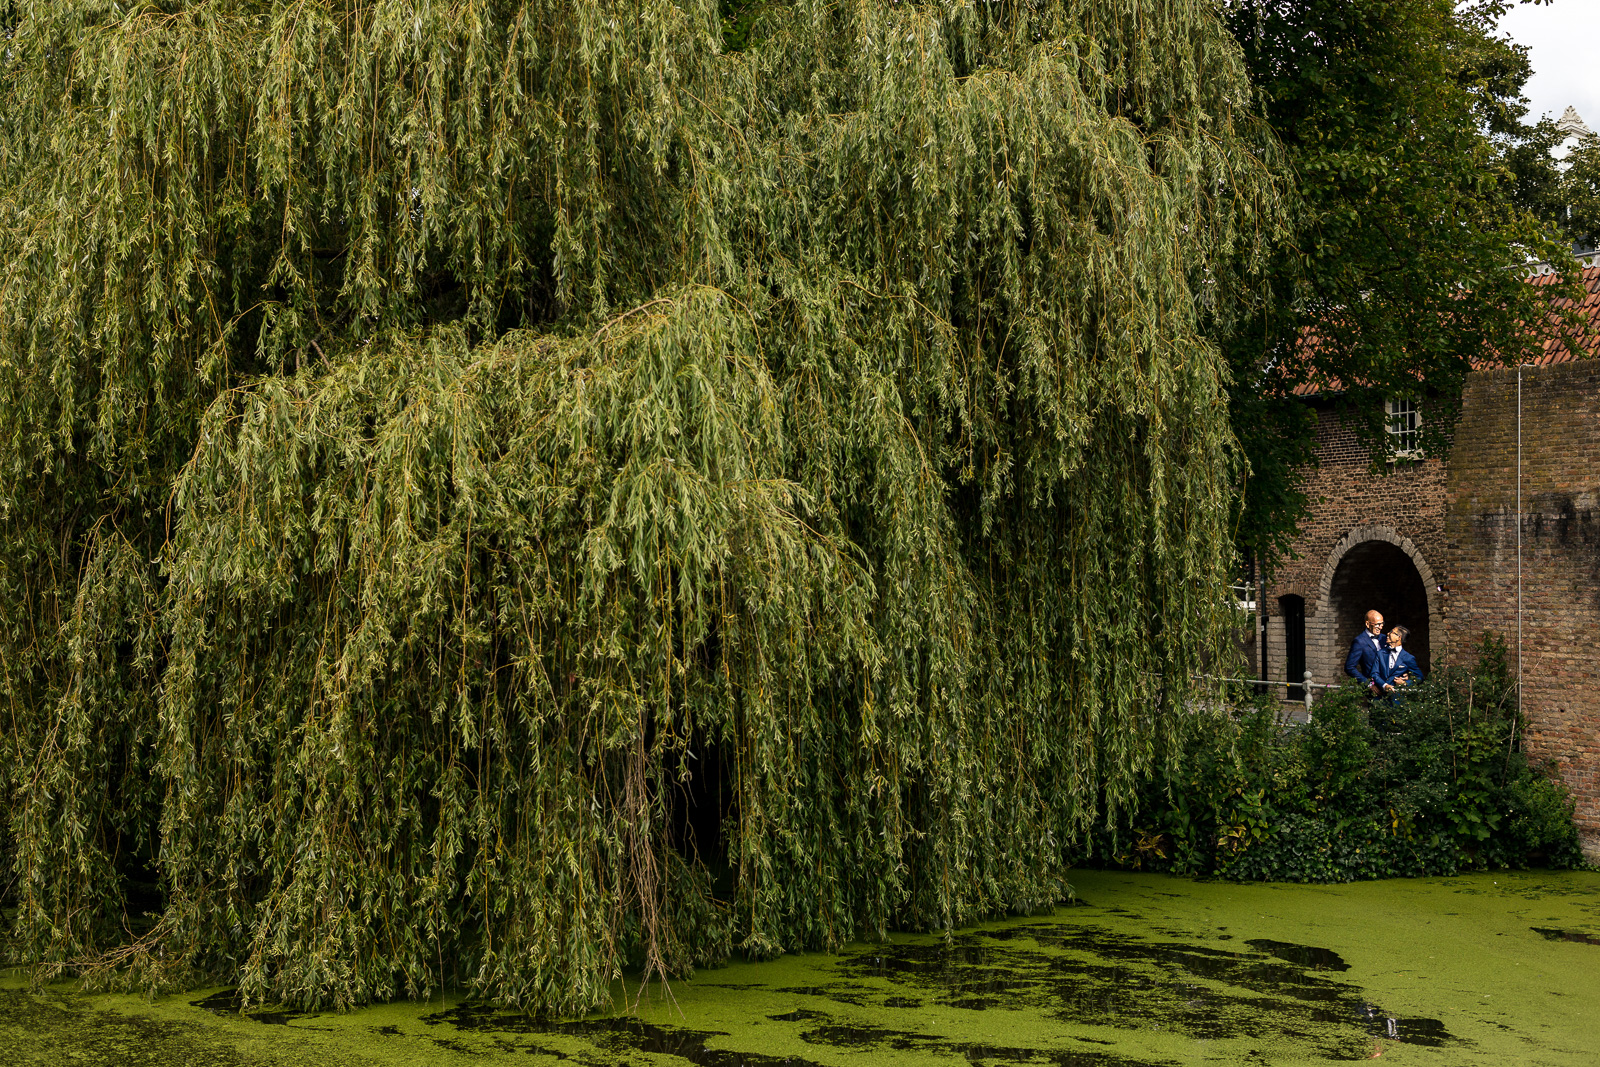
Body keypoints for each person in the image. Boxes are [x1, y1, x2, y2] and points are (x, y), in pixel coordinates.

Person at [1344, 609, 1386, 695]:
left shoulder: (1385, 638)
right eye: (1377, 624)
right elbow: (1349, 667)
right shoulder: (1359, 641)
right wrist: (1368, 684)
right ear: (1367, 624)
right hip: (1375, 690)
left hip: (1389, 686)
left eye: (1382, 624)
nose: (1380, 627)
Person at [1377, 625, 1423, 695]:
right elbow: (1374, 673)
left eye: (1392, 632)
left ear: (1398, 637)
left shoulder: (1408, 658)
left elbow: (1419, 677)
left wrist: (1405, 683)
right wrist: (1384, 685)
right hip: (1380, 697)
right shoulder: (1380, 653)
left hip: (1397, 699)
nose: (1388, 633)